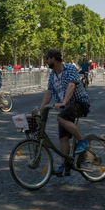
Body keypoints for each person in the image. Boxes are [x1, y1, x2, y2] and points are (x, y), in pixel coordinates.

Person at [38, 49, 90, 177]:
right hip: (65, 107)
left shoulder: (70, 68)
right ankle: (65, 164)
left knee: (61, 118)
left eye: (47, 58)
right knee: (63, 138)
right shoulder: (52, 75)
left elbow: (72, 86)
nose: (46, 61)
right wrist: (41, 108)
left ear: (54, 58)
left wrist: (63, 102)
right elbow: (49, 92)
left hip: (79, 102)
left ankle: (82, 141)